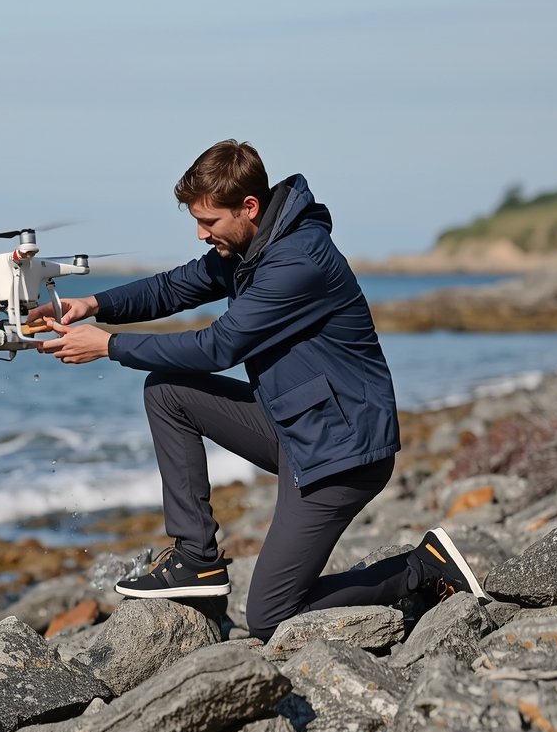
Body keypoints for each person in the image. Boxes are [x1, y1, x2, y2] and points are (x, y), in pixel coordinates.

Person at [29, 139, 488, 641]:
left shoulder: (297, 262)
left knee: (271, 616)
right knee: (167, 392)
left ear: (249, 207)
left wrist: (109, 346)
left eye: (209, 223)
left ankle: (421, 569)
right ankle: (195, 559)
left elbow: (217, 347)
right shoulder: (251, 246)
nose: (202, 235)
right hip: (296, 428)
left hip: (342, 453)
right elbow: (173, 288)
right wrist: (90, 304)